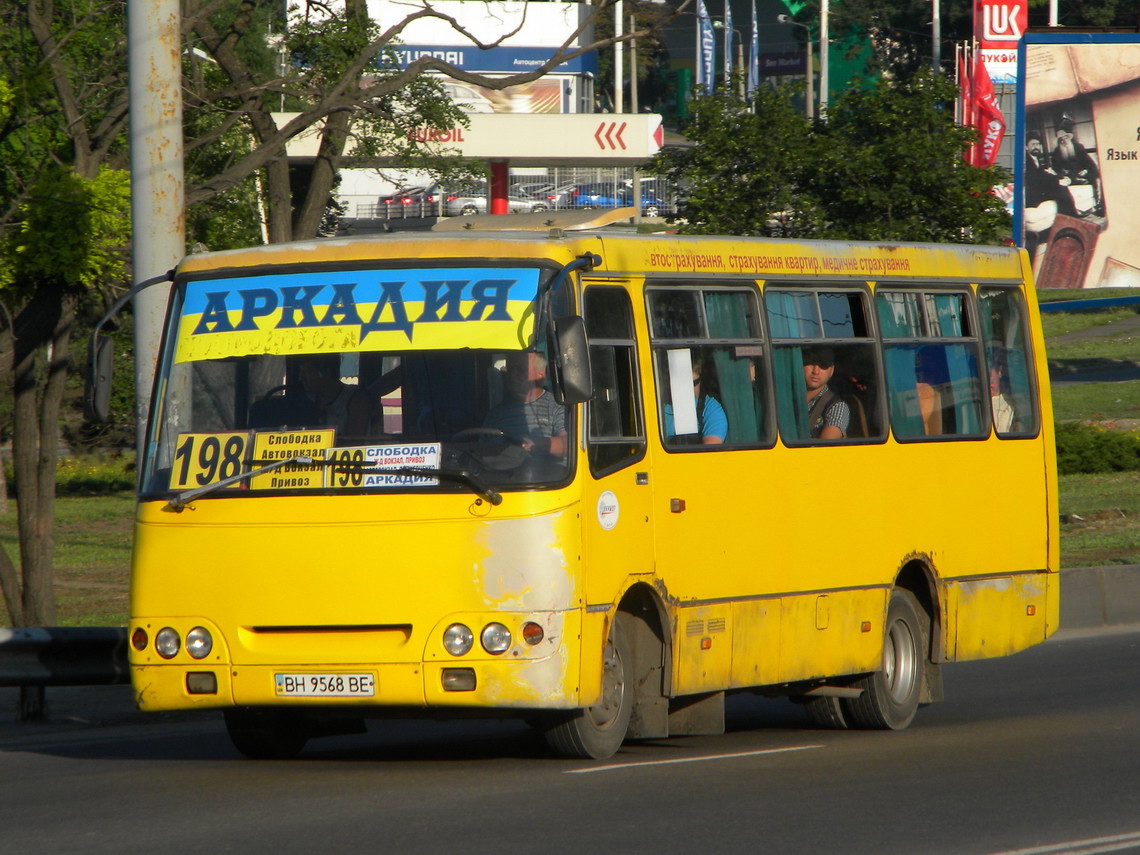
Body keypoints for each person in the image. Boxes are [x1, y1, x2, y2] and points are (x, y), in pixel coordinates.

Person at [483, 351, 567, 457]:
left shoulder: (556, 406)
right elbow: (482, 451)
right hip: (502, 471)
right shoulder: (496, 413)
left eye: (520, 369)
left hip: (546, 472)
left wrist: (538, 443)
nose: (512, 375)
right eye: (510, 369)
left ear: (540, 374)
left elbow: (568, 445)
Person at [662, 357, 727, 445]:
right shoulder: (659, 406)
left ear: (701, 381)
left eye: (693, 383)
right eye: (683, 383)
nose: (687, 388)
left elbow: (710, 451)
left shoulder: (710, 408)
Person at [1051, 118, 1103, 217]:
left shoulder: (1078, 147)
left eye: (1065, 138)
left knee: (1096, 179)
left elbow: (1089, 164)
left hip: (1082, 175)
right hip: (1068, 177)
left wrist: (1085, 171)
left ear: (1069, 137)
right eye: (1061, 139)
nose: (1063, 141)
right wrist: (1062, 172)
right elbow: (1055, 168)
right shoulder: (1056, 152)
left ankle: (1098, 206)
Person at [803, 345, 849, 440]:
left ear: (831, 371)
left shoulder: (837, 406)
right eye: (810, 363)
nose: (816, 371)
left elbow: (825, 447)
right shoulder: (785, 397)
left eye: (823, 365)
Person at [989, 362, 1015, 433]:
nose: (987, 382)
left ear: (999, 372)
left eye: (989, 375)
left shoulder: (1008, 406)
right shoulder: (973, 405)